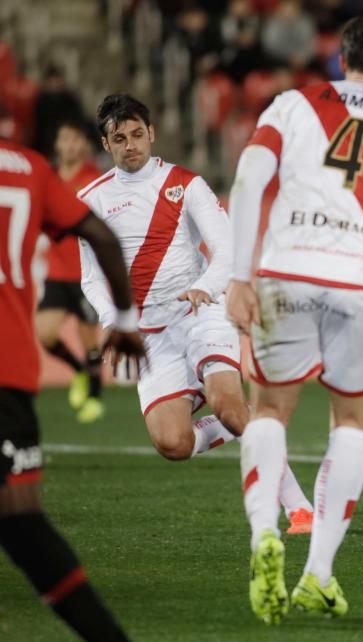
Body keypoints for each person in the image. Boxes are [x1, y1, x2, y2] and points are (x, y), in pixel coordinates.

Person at [225, 15, 363, 624]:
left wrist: (240, 275)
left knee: (270, 410)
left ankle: (261, 536)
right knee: (350, 423)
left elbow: (248, 180)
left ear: (340, 58)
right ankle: (318, 573)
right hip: (362, 283)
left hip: (285, 273)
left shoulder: (292, 104)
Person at [77, 94, 313, 532]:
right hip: (148, 333)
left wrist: (205, 287)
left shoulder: (185, 183)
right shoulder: (90, 199)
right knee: (173, 443)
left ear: (151, 133)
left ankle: (299, 508)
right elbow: (90, 275)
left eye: (135, 134)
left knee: (228, 408)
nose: (130, 145)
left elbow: (227, 247)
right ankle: (239, 416)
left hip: (200, 312)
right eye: (118, 138)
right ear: (106, 145)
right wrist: (111, 321)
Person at [1, 132, 144, 641]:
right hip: (8, 367)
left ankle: (90, 378)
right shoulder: (29, 168)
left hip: (75, 285)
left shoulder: (80, 175)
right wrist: (126, 320)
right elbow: (103, 235)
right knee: (21, 521)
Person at [35, 120, 105, 423]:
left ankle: (94, 398)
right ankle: (78, 372)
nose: (71, 145)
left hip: (85, 272)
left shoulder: (94, 179)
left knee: (89, 338)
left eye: (76, 139)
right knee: (45, 334)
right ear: (57, 144)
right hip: (56, 271)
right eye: (65, 139)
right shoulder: (47, 178)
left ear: (85, 145)